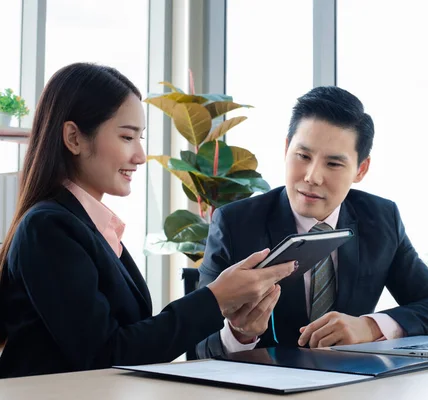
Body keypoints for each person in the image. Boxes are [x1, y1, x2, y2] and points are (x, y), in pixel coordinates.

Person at [0, 63, 295, 379]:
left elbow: (126, 344)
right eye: (127, 137)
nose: (140, 155)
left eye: (140, 138)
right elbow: (106, 355)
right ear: (74, 138)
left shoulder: (87, 226)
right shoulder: (48, 228)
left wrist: (227, 311)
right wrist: (216, 298)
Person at [195, 86, 428, 358]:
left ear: (361, 169)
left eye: (333, 164)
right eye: (303, 156)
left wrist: (369, 327)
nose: (312, 176)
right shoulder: (236, 224)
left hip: (352, 384)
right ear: (286, 148)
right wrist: (240, 334)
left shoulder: (380, 219)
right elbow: (198, 346)